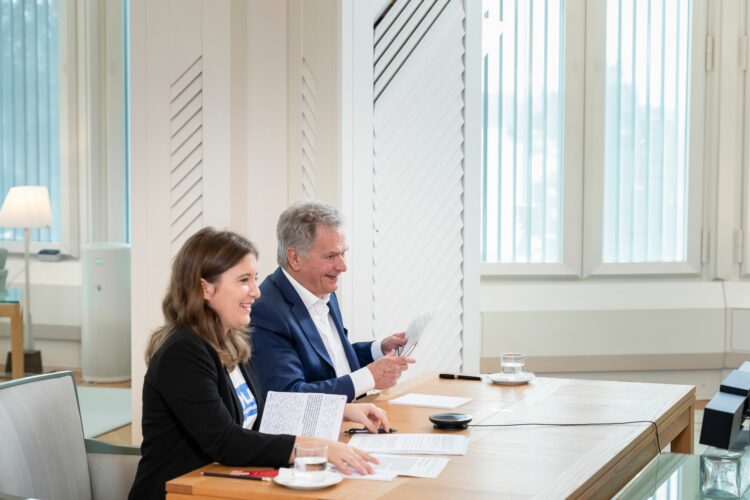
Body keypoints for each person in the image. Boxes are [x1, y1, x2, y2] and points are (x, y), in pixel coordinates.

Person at [129, 228, 387, 500]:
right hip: (179, 493)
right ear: (205, 288)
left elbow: (267, 415)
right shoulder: (183, 352)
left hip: (224, 487)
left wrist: (339, 411)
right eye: (243, 280)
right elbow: (225, 441)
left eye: (255, 279)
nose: (256, 292)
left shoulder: (233, 341)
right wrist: (312, 446)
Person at [251, 201, 415, 403]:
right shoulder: (265, 311)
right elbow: (288, 397)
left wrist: (378, 350)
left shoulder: (322, 288)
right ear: (294, 258)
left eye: (343, 253)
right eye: (331, 256)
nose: (343, 266)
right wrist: (369, 377)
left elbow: (332, 363)